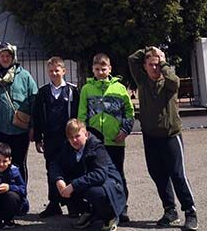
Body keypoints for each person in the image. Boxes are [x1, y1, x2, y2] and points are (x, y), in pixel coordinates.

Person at [128, 47, 198, 231]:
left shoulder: (168, 83)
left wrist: (163, 60)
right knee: (158, 174)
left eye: (157, 65)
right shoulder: (142, 81)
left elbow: (175, 81)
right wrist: (149, 50)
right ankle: (170, 210)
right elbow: (132, 59)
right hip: (150, 136)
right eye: (150, 65)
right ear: (145, 66)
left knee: (177, 175)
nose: (154, 68)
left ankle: (190, 212)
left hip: (170, 136)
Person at [78, 53, 134, 223]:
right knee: (95, 174)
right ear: (92, 70)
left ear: (110, 69)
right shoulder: (87, 89)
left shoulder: (120, 88)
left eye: (104, 69)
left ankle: (122, 207)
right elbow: (82, 114)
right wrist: (84, 135)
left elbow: (129, 112)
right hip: (95, 142)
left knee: (118, 174)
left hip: (115, 140)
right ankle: (97, 207)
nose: (100, 72)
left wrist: (125, 130)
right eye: (97, 69)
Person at [49, 119, 126, 231]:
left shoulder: (97, 147)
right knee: (61, 186)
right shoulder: (68, 146)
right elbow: (55, 164)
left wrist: (73, 185)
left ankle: (110, 216)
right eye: (71, 137)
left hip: (110, 187)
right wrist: (59, 180)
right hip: (90, 182)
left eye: (77, 136)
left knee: (93, 192)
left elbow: (100, 175)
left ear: (86, 134)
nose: (74, 140)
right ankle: (91, 212)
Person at [33, 56, 80, 218]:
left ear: (64, 71)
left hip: (69, 139)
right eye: (51, 71)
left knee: (72, 170)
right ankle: (54, 204)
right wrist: (38, 138)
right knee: (52, 171)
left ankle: (73, 205)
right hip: (51, 139)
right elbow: (37, 116)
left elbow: (78, 115)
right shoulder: (43, 92)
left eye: (57, 70)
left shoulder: (73, 91)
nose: (54, 73)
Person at [0, 42, 38, 182]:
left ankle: (21, 195)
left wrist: (33, 127)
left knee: (19, 163)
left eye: (7, 55)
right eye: (1, 56)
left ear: (12, 57)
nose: (5, 59)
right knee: (2, 164)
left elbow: (34, 102)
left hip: (20, 131)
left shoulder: (24, 76)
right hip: (1, 130)